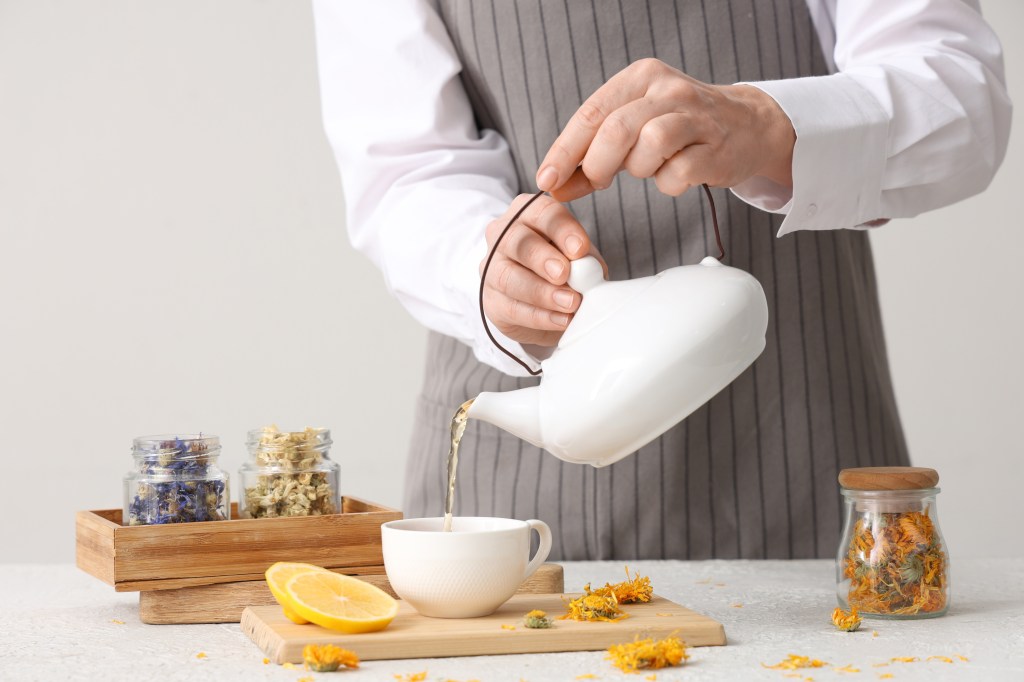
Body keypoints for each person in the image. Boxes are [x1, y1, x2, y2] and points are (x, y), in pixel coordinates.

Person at [312, 0, 1011, 560]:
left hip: (805, 434)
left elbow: (962, 96)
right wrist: (483, 265)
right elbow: (402, 166)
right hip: (524, 480)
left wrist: (768, 125)